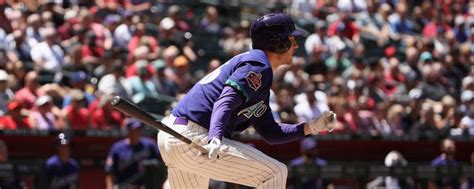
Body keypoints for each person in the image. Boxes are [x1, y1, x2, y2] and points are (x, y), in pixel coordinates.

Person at [157, 13, 336, 189]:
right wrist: (215, 137)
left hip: (175, 137)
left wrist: (311, 126)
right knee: (275, 173)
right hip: (193, 136)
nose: (296, 45)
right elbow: (225, 100)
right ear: (277, 42)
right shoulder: (258, 63)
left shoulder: (259, 78)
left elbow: (271, 132)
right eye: (291, 39)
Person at [105, 118, 162, 189]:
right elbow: (110, 172)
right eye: (135, 129)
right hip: (124, 186)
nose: (138, 132)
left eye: (139, 129)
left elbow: (161, 165)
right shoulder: (117, 148)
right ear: (128, 130)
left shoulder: (149, 145)